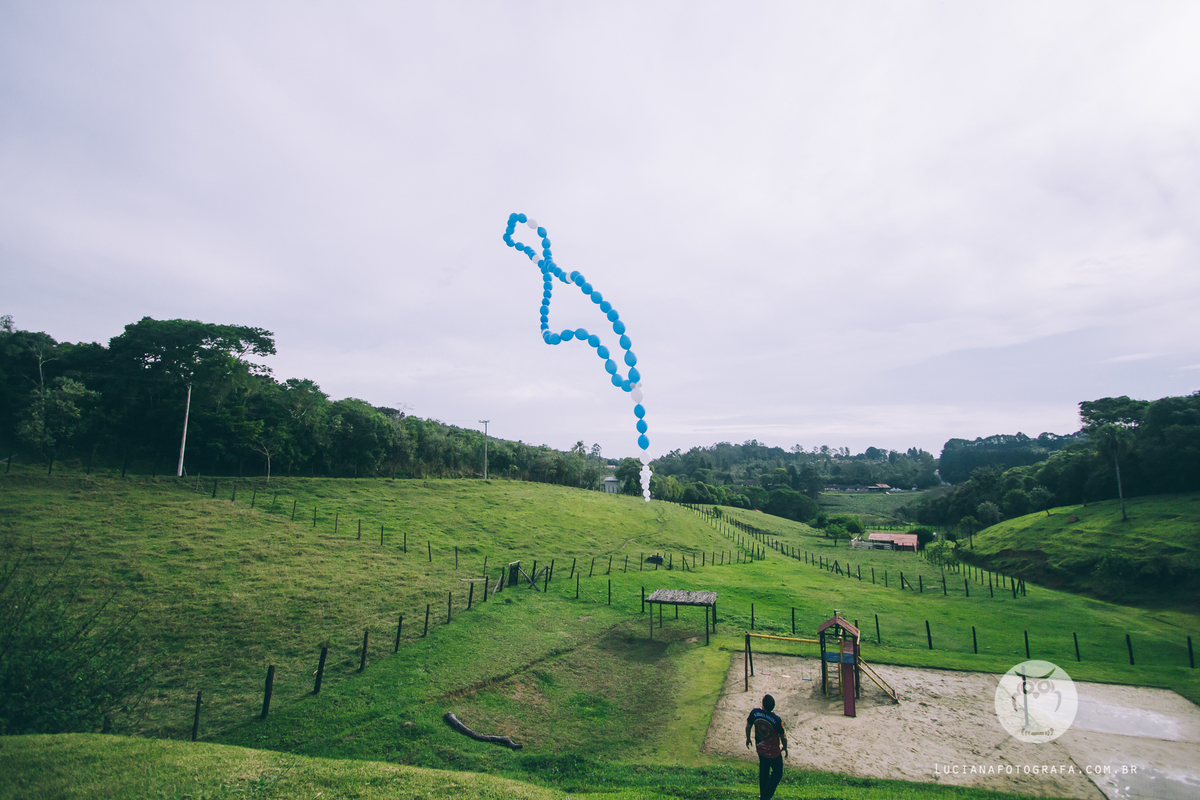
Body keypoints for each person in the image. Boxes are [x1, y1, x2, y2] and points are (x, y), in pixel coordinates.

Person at [745, 694, 788, 800]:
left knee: (764, 772)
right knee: (777, 773)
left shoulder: (755, 713)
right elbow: (783, 736)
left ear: (763, 704)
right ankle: (765, 797)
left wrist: (748, 738)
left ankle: (764, 796)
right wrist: (785, 747)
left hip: (760, 749)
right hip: (773, 753)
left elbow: (748, 726)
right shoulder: (776, 720)